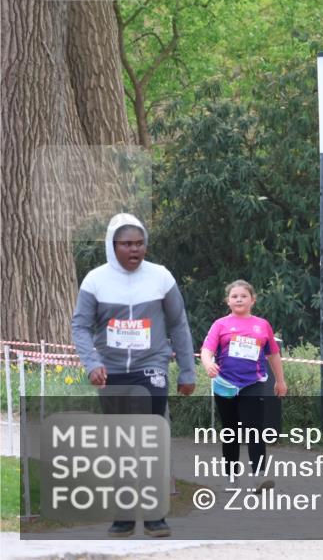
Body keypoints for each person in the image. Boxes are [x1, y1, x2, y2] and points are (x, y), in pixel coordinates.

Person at [71, 213, 196, 538]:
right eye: (127, 244)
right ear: (113, 246)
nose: (134, 249)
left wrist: (186, 369)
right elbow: (81, 326)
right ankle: (124, 516)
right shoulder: (95, 280)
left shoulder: (161, 278)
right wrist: (91, 362)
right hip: (111, 372)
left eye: (139, 243)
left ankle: (155, 516)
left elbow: (178, 323)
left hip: (151, 366)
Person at [201, 280, 287, 491]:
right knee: (230, 431)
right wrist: (208, 364)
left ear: (252, 300)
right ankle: (231, 477)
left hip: (253, 383)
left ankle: (259, 477)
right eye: (234, 296)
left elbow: (273, 354)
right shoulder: (220, 324)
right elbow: (206, 350)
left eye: (243, 296)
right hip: (226, 384)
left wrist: (281, 380)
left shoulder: (262, 325)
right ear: (228, 301)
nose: (239, 299)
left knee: (255, 430)